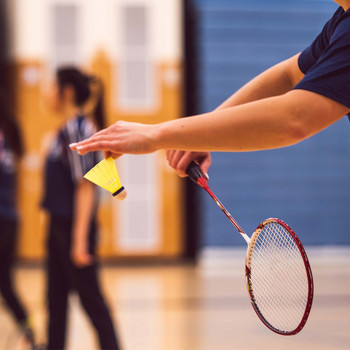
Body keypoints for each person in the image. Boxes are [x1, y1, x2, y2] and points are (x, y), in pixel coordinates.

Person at [70, 0, 350, 177]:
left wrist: (155, 134)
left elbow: (295, 118)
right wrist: (195, 137)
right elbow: (289, 75)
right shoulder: (341, 21)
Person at [42, 67, 121, 350]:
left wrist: (78, 241)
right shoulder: (63, 130)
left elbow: (86, 186)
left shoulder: (79, 129)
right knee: (55, 300)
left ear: (68, 92)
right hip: (58, 227)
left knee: (92, 302)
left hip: (74, 229)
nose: (47, 93)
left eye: (52, 86)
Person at [0, 89, 36, 347]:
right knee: (4, 283)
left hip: (3, 218)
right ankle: (30, 331)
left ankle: (30, 332)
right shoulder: (10, 133)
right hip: (10, 218)